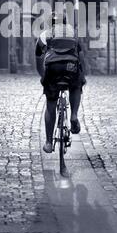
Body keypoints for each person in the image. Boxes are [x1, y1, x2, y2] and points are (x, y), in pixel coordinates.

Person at [35, 11, 86, 153]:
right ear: (65, 22)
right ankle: (74, 115)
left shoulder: (44, 35)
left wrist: (43, 77)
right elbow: (81, 58)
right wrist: (82, 76)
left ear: (50, 24)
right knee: (76, 86)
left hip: (53, 69)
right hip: (71, 67)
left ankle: (49, 142)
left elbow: (39, 61)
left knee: (51, 103)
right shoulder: (74, 34)